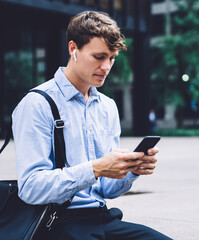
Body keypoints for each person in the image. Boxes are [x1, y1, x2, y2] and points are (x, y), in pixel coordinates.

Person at [12, 11, 172, 240]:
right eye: (99, 57)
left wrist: (130, 171)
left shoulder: (107, 107)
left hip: (101, 218)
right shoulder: (37, 104)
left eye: (112, 58)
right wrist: (95, 168)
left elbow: (107, 189)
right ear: (73, 49)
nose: (106, 67)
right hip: (54, 222)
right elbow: (30, 188)